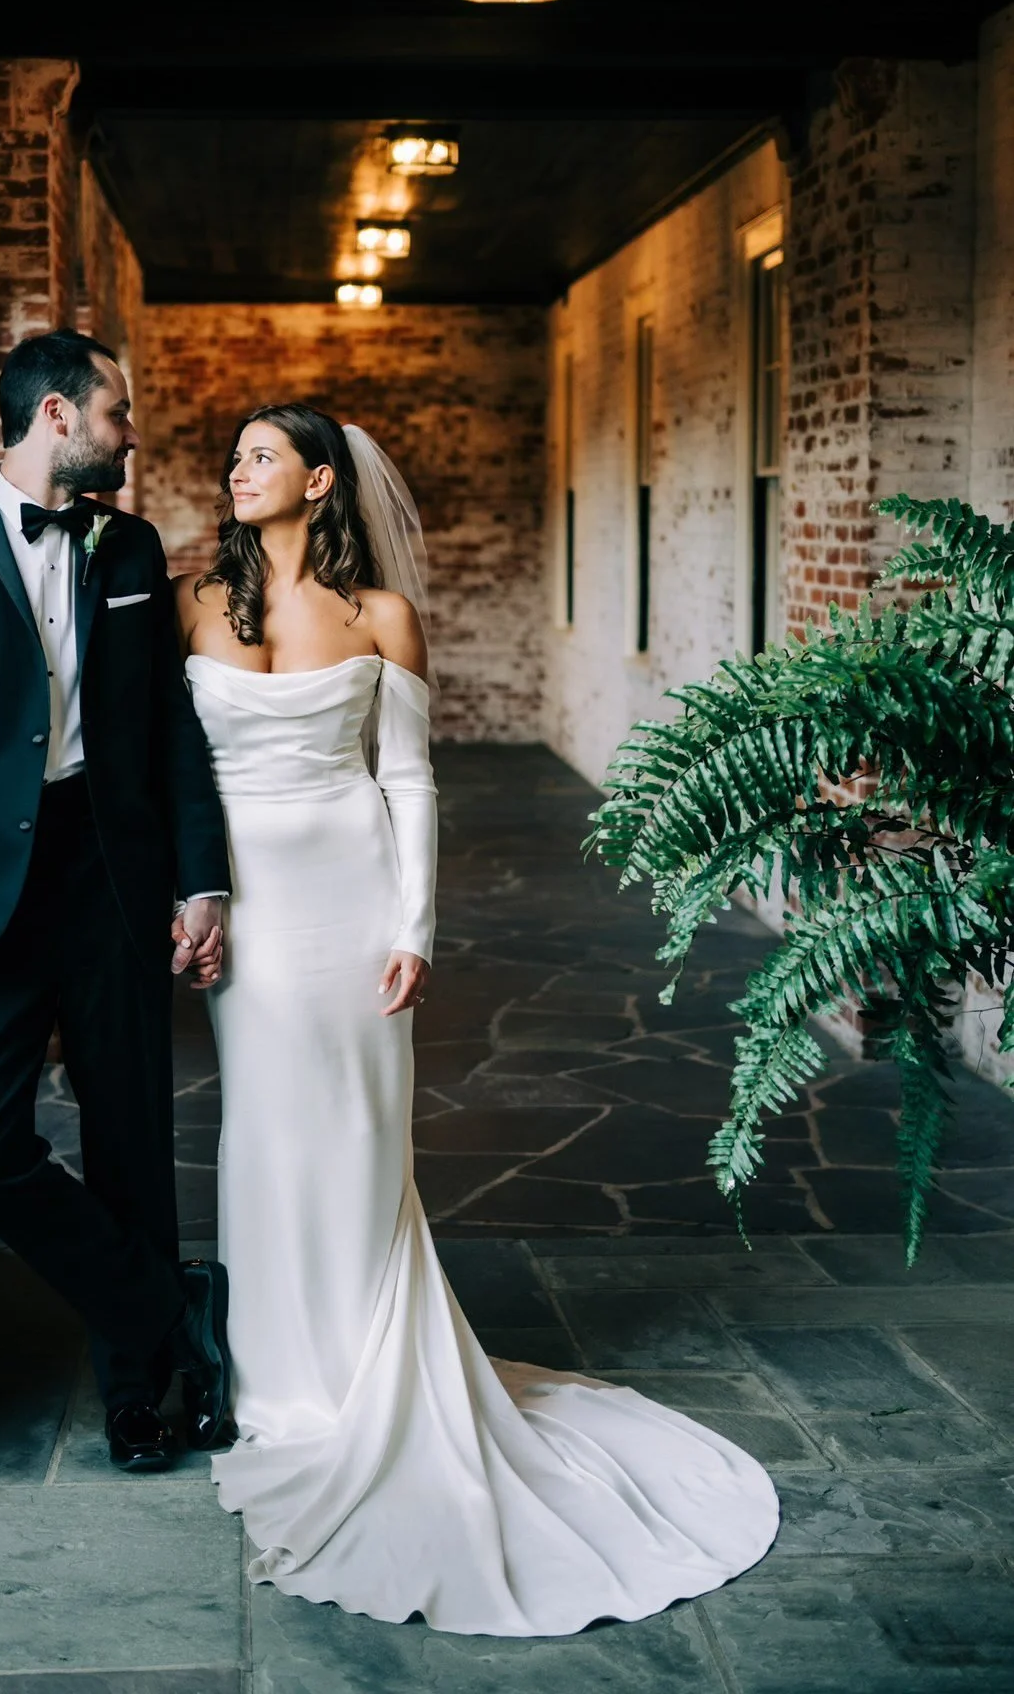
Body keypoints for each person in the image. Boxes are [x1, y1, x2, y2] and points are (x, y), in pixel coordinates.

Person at [172, 403, 779, 1637]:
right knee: (261, 1130)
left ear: (320, 481)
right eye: (232, 457)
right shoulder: (193, 601)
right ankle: (274, 1378)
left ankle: (361, 1374)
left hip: (348, 900)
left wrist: (415, 931)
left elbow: (406, 778)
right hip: (248, 905)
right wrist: (192, 895)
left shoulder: (381, 616)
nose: (236, 472)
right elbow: (169, 770)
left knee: (355, 1132)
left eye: (261, 456)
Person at [0, 329, 234, 1475]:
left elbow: (169, 728)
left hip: (112, 879)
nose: (131, 432)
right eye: (118, 411)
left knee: (130, 1137)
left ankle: (140, 1392)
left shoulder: (130, 546)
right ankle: (166, 1309)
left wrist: (198, 875)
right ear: (59, 418)